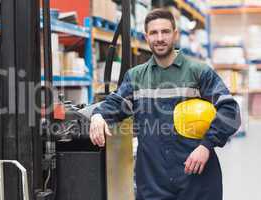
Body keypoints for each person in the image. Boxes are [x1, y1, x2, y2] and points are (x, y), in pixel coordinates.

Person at [89, 8, 241, 200]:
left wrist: (206, 145)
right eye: (153, 32)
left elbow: (230, 110)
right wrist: (98, 115)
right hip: (154, 182)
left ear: (175, 34)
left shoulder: (199, 72)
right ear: (146, 37)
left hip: (197, 180)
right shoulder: (136, 77)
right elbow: (116, 103)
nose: (159, 38)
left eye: (165, 31)